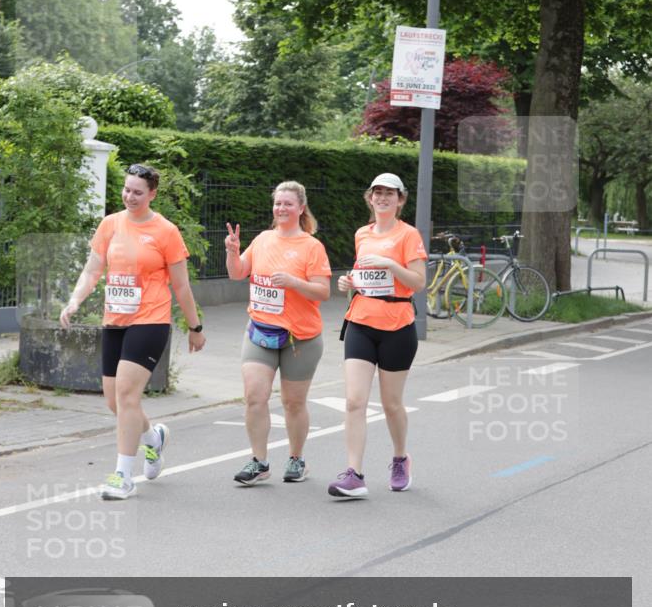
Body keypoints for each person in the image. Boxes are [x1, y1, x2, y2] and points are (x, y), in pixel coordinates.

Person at [60, 163, 206, 500]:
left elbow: (181, 286)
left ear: (152, 194)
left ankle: (123, 476)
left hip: (150, 320)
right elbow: (92, 270)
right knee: (115, 401)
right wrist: (74, 300)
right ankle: (154, 438)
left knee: (127, 395)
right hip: (115, 320)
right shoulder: (110, 224)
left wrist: (194, 326)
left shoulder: (166, 231)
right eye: (126, 190)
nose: (130, 196)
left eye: (138, 192)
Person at [225, 181, 332, 485]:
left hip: (300, 338)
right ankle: (259, 462)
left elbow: (323, 291)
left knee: (293, 403)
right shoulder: (262, 239)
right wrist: (233, 252)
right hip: (260, 331)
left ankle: (297, 459)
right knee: (254, 397)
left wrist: (294, 283)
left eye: (288, 204)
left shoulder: (311, 246)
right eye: (277, 203)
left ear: (301, 208)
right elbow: (237, 272)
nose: (281, 208)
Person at [328, 173, 427, 499]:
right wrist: (349, 283)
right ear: (370, 198)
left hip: (397, 325)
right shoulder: (362, 234)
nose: (383, 198)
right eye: (377, 193)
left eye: (390, 193)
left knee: (391, 404)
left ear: (400, 200)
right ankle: (354, 474)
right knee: (354, 400)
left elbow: (418, 282)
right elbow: (363, 276)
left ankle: (400, 458)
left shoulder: (408, 234)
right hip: (360, 321)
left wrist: (389, 264)